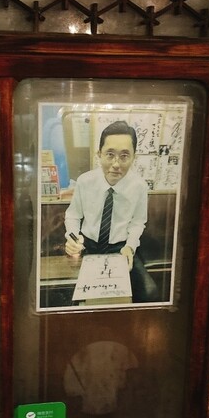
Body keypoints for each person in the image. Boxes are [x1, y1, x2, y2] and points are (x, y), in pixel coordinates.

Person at [64, 120, 159, 302]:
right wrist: (72, 238)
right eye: (110, 154)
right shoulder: (85, 181)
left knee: (149, 293)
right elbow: (73, 215)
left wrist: (130, 246)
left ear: (134, 157)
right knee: (72, 297)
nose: (116, 164)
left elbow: (138, 222)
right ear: (99, 154)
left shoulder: (139, 186)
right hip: (88, 247)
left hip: (121, 248)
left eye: (124, 156)